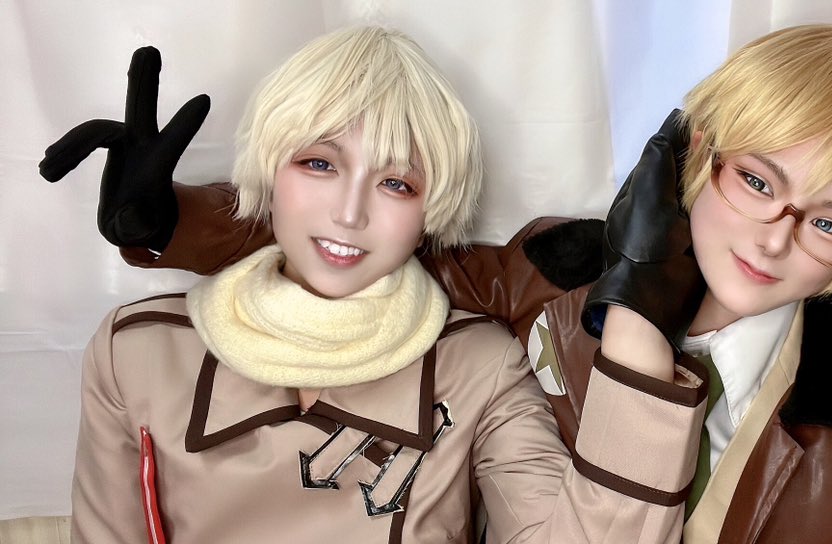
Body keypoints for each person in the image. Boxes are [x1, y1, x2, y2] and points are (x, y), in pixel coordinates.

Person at [42, 24, 832, 543]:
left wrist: (639, 336)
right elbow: (368, 238)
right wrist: (174, 223)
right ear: (698, 154)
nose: (772, 240)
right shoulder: (551, 272)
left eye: (828, 225)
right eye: (758, 183)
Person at [56, 26, 709, 543]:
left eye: (396, 183)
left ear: (430, 211)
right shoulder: (136, 351)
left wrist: (638, 336)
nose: (350, 213)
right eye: (319, 164)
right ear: (268, 170)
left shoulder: (478, 368)